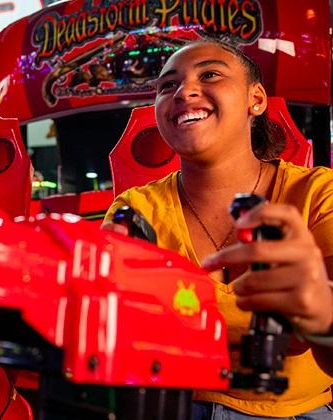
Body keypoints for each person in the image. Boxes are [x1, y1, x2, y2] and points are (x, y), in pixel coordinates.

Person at [102, 40, 333, 419]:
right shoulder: (135, 210)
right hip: (171, 408)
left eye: (209, 74)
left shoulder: (318, 194)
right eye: (166, 86)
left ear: (255, 99)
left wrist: (322, 312)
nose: (184, 91)